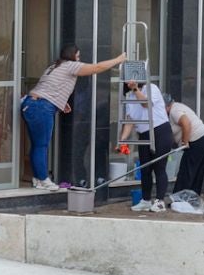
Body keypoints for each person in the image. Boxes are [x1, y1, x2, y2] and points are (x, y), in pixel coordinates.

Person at [21, 44, 127, 190]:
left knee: (37, 145)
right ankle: (44, 179)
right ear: (72, 56)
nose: (79, 59)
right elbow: (97, 68)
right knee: (41, 145)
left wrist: (60, 102)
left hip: (31, 104)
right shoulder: (70, 66)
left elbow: (50, 87)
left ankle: (38, 178)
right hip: (41, 107)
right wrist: (118, 60)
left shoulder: (55, 66)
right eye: (78, 56)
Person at [118, 77, 175, 211]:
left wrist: (135, 89)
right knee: (145, 169)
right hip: (144, 133)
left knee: (159, 167)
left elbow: (146, 104)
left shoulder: (152, 88)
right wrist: (122, 140)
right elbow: (130, 120)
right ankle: (146, 200)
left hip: (160, 130)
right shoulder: (130, 96)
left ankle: (160, 201)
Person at [164, 92, 204, 196]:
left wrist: (185, 142)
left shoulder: (174, 110)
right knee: (197, 170)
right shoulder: (177, 107)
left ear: (166, 105)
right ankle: (192, 196)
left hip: (198, 139)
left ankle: (179, 197)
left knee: (186, 170)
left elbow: (186, 124)